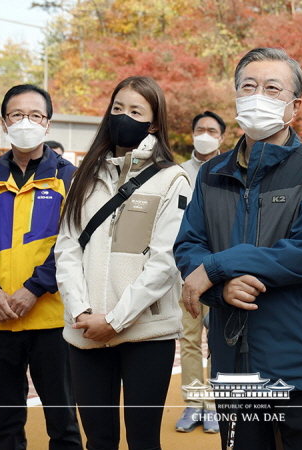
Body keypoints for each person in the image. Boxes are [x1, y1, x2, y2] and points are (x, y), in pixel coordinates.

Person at [174, 47, 302, 450]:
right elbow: (189, 245)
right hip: (235, 362)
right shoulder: (211, 175)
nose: (258, 96)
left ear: (295, 105)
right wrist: (221, 288)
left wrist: (217, 268)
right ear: (235, 96)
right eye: (248, 86)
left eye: (272, 88)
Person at [54, 75, 190, 450]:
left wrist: (114, 320)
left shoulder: (171, 179)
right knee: (98, 438)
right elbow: (66, 248)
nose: (123, 117)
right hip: (85, 330)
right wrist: (81, 311)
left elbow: (165, 264)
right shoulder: (86, 174)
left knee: (143, 440)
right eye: (117, 108)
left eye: (135, 111)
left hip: (146, 333)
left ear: (155, 122)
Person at [0, 84, 82, 450]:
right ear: (3, 122)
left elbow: (72, 242)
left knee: (63, 421)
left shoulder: (70, 177)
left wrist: (34, 289)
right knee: (6, 423)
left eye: (35, 115)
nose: (25, 122)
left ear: (47, 124)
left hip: (52, 320)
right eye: (17, 115)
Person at [175, 110, 226, 434]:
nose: (204, 134)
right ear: (192, 134)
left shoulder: (229, 169)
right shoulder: (177, 174)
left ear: (221, 137)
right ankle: (195, 402)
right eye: (199, 129)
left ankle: (217, 406)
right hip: (186, 273)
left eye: (211, 130)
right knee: (190, 339)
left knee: (220, 341)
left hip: (221, 272)